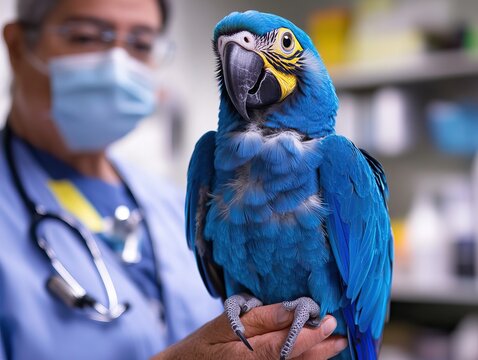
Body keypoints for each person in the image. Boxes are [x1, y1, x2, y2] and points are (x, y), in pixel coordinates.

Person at [0, 0, 347, 359]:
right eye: (86, 37)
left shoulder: (169, 198)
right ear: (17, 45)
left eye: (141, 44)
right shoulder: (209, 174)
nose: (117, 63)